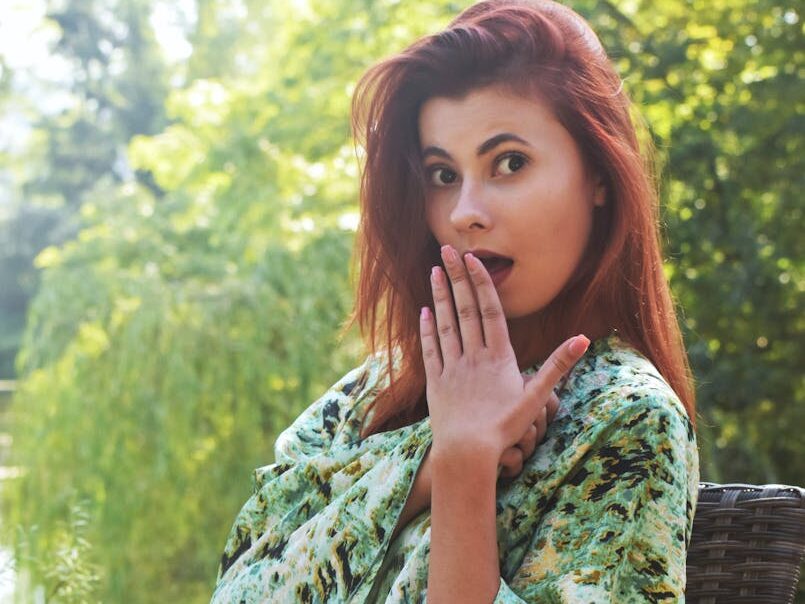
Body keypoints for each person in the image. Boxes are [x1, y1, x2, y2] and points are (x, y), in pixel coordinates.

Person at [211, 0, 699, 601]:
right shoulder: (375, 391)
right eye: (443, 174)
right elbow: (237, 586)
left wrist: (468, 470)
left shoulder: (627, 417)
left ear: (599, 174)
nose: (465, 211)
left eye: (509, 163)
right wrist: (428, 467)